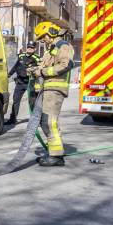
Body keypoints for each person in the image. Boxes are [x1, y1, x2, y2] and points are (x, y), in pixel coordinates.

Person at [31, 21, 74, 168]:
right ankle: (54, 152)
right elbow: (47, 66)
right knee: (45, 122)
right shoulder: (52, 49)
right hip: (48, 89)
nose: (43, 40)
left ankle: (56, 156)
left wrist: (42, 72)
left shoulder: (63, 46)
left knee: (50, 122)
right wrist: (36, 70)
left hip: (55, 89)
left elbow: (65, 65)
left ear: (51, 32)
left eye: (44, 37)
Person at [5, 42, 41, 125]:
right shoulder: (21, 56)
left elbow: (40, 68)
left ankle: (35, 120)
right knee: (15, 100)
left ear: (35, 49)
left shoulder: (37, 58)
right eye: (28, 47)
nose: (29, 49)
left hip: (30, 83)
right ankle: (13, 119)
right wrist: (9, 75)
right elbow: (15, 66)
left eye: (32, 48)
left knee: (32, 102)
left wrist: (34, 69)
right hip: (20, 82)